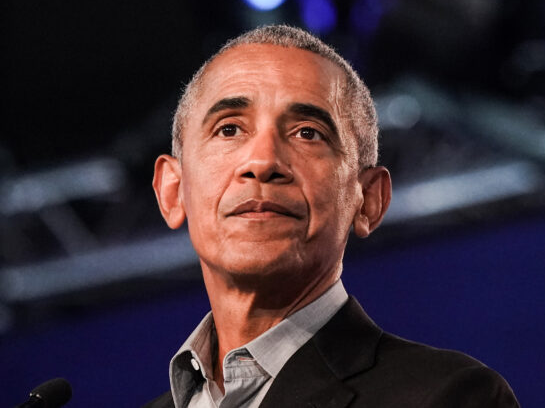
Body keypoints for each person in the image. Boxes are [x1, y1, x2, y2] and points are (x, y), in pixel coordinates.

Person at [144, 25, 519, 407]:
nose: (262, 162)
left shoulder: (449, 398)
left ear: (368, 200)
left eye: (308, 133)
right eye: (229, 129)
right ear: (173, 191)